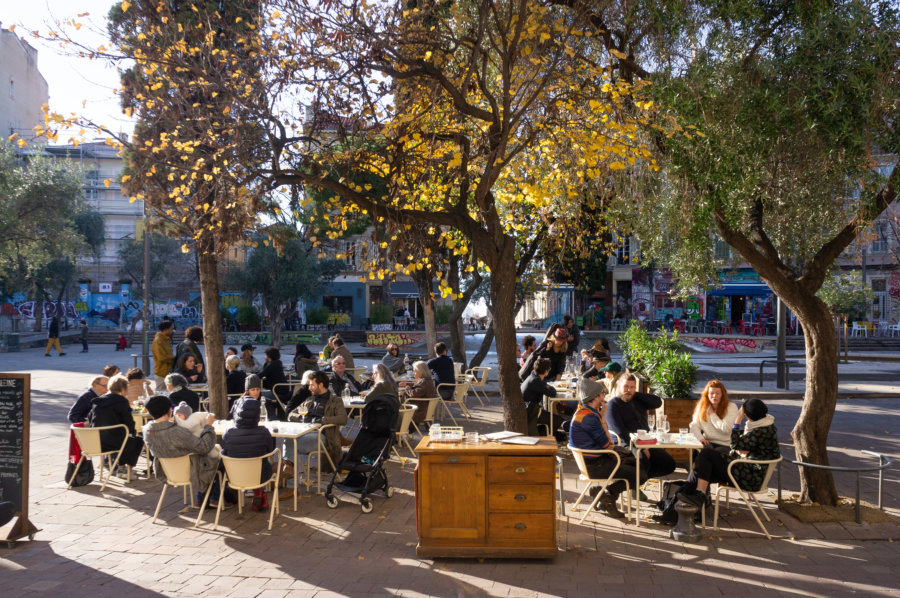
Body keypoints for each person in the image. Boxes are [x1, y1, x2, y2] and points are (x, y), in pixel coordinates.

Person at [656, 398, 780, 523]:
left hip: (749, 477)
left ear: (748, 415)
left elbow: (735, 444)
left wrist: (737, 420)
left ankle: (695, 497)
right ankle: (676, 509)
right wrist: (741, 449)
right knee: (700, 469)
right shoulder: (765, 425)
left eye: (744, 414)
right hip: (746, 470)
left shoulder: (761, 430)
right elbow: (742, 446)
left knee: (706, 454)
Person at [569, 378, 644, 519]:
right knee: (641, 474)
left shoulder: (583, 411)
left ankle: (604, 494)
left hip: (589, 462)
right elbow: (607, 444)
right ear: (595, 397)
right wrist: (603, 417)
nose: (604, 397)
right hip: (595, 465)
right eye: (602, 394)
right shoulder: (590, 418)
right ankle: (607, 495)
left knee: (635, 464)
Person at [142, 394, 219, 507]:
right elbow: (204, 447)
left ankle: (204, 500)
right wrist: (208, 426)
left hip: (166, 472)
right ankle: (215, 499)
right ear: (170, 410)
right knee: (220, 462)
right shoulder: (177, 432)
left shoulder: (147, 431)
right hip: (192, 472)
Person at [606, 374, 675, 479]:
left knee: (669, 463)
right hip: (625, 444)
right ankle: (628, 485)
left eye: (632, 387)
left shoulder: (637, 400)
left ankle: (638, 479)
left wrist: (635, 394)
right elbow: (621, 433)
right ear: (619, 387)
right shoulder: (613, 405)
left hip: (645, 441)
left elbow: (657, 402)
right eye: (625, 387)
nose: (628, 390)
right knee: (642, 461)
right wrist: (640, 447)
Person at [221, 397, 276, 510]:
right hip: (260, 477)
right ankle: (261, 493)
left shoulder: (228, 433)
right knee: (261, 461)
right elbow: (270, 451)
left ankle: (258, 495)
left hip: (234, 477)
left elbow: (225, 451)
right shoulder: (264, 432)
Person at [88, 374, 144, 474]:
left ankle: (121, 467)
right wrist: (133, 432)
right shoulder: (121, 401)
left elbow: (90, 418)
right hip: (113, 442)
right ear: (123, 389)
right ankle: (125, 469)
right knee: (137, 440)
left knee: (125, 438)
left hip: (95, 441)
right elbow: (129, 422)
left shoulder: (98, 401)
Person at [296, 371, 348, 473]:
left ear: (320, 385)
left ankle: (290, 477)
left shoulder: (335, 401)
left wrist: (323, 420)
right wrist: (300, 418)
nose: (309, 388)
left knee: (291, 442)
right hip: (305, 432)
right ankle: (288, 470)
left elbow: (343, 419)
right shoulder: (310, 399)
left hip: (322, 435)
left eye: (312, 385)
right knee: (289, 440)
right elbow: (291, 414)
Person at [690, 380, 740, 452]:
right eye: (711, 393)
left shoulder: (731, 406)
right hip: (707, 442)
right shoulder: (702, 406)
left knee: (706, 454)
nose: (714, 396)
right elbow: (694, 425)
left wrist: (712, 414)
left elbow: (726, 429)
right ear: (707, 395)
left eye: (717, 393)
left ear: (722, 395)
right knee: (699, 450)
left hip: (725, 444)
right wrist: (700, 438)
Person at [520, 357, 556, 436]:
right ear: (546, 371)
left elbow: (545, 387)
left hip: (528, 409)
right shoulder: (536, 381)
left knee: (553, 418)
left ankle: (545, 434)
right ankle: (545, 437)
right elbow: (553, 393)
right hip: (531, 413)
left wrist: (546, 385)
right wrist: (549, 386)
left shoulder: (532, 376)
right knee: (557, 420)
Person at [402, 360, 437, 426]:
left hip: (419, 412)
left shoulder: (423, 382)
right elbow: (418, 387)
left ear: (420, 372)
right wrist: (407, 384)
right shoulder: (428, 380)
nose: (413, 373)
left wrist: (407, 388)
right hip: (425, 409)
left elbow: (413, 394)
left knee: (398, 409)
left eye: (415, 371)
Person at [260, 347, 288, 419]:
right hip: (282, 389)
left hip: (276, 390)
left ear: (269, 356)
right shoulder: (277, 363)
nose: (264, 357)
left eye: (266, 355)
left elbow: (261, 375)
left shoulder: (272, 365)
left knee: (259, 394)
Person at [152, 320, 175, 389]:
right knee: (160, 393)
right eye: (171, 329)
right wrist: (174, 358)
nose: (172, 331)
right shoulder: (158, 340)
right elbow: (161, 357)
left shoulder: (166, 339)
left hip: (167, 372)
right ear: (166, 330)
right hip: (161, 373)